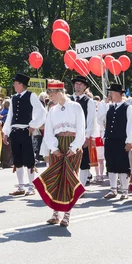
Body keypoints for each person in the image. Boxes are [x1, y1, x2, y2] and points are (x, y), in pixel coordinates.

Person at [33, 80, 85, 227]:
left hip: (72, 144)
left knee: (69, 178)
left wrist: (74, 147)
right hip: (57, 144)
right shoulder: (52, 110)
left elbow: (81, 129)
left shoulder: (76, 107)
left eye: (51, 94)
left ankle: (67, 214)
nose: (50, 97)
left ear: (59, 92)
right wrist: (54, 148)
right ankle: (56, 213)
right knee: (56, 178)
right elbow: (48, 131)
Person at [2, 73, 46, 196]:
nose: (14, 85)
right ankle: (21, 186)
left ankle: (31, 186)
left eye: (16, 83)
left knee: (29, 159)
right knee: (17, 159)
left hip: (25, 131)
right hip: (15, 131)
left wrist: (33, 124)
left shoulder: (31, 96)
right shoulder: (14, 98)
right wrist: (6, 132)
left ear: (21, 84)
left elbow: (42, 112)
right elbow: (10, 115)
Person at [103, 84, 132, 200]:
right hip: (110, 140)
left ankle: (124, 190)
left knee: (123, 166)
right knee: (111, 165)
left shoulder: (128, 108)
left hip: (121, 140)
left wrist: (129, 141)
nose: (109, 95)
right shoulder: (109, 107)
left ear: (117, 93)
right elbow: (101, 119)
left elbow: (131, 125)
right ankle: (113, 189)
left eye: (111, 93)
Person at [70, 76, 96, 188]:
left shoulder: (89, 101)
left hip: (82, 134)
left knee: (83, 162)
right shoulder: (69, 99)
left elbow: (91, 120)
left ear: (85, 87)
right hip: (69, 134)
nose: (78, 86)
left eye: (81, 84)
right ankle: (71, 184)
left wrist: (87, 136)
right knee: (70, 160)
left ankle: (82, 186)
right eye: (76, 84)